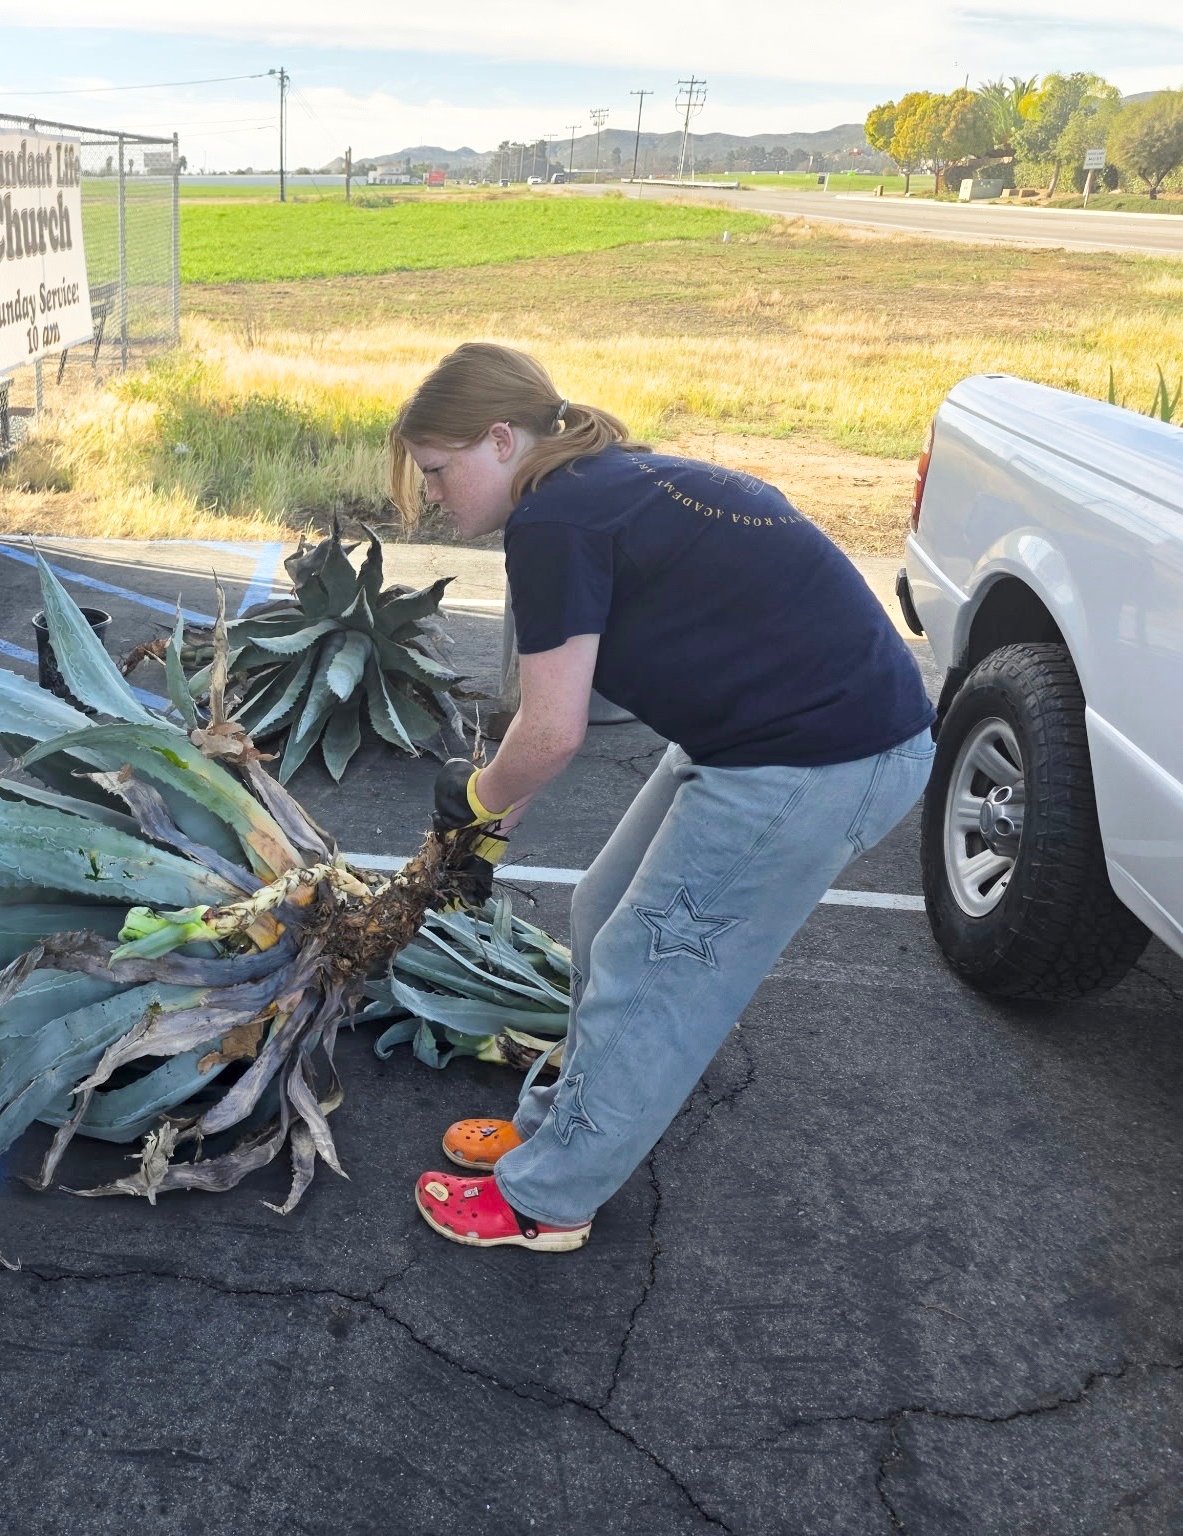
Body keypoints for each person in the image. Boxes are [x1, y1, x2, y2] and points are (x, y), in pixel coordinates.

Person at [395, 343, 935, 1253]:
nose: (431, 495)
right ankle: (554, 1130)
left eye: (438, 471)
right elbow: (548, 726)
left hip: (820, 758)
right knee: (602, 911)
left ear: (500, 440)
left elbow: (551, 734)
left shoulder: (553, 521)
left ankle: (547, 1201)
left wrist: (473, 804)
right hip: (767, 737)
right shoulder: (588, 484)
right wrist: (489, 827)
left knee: (652, 974)